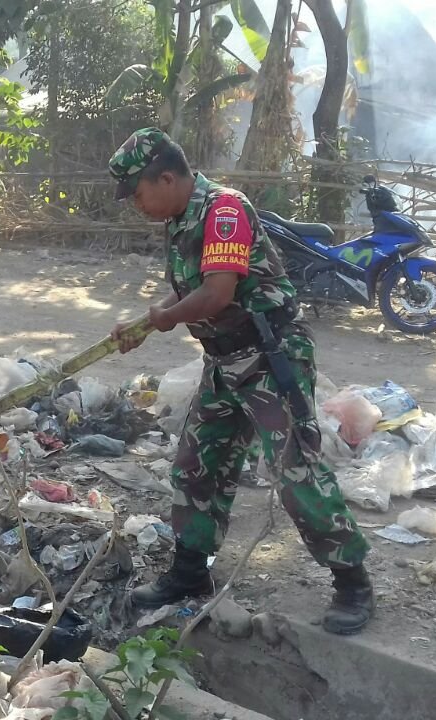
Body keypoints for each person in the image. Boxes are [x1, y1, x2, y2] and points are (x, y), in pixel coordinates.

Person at [107, 128, 373, 635]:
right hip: (225, 360)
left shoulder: (224, 210)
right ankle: (189, 573)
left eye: (138, 193)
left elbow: (216, 295)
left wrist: (162, 320)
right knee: (196, 463)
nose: (135, 205)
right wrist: (146, 322)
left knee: (295, 471)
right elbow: (189, 292)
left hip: (271, 357)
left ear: (167, 177)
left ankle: (352, 581)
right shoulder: (181, 219)